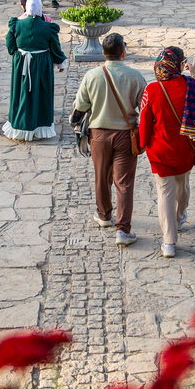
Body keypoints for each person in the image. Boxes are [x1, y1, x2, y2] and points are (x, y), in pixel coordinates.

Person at [70, 32, 145, 246]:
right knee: (124, 183)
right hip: (126, 135)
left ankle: (104, 215)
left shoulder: (92, 76)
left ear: (103, 53)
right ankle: (122, 230)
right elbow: (145, 107)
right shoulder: (135, 76)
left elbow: (80, 107)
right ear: (123, 53)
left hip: (99, 135)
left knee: (101, 177)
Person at [138, 47, 195, 259]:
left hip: (160, 151)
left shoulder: (151, 90)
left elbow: (144, 122)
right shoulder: (190, 85)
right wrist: (194, 74)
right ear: (179, 64)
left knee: (165, 192)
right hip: (185, 147)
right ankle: (179, 216)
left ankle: (169, 241)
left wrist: (142, 144)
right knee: (182, 185)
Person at [3, 0, 66, 141]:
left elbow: (10, 46)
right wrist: (60, 63)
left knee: (22, 93)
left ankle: (21, 125)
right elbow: (55, 48)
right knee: (40, 93)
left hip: (22, 64)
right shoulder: (48, 28)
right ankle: (39, 127)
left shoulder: (17, 25)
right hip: (41, 65)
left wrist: (19, 52)